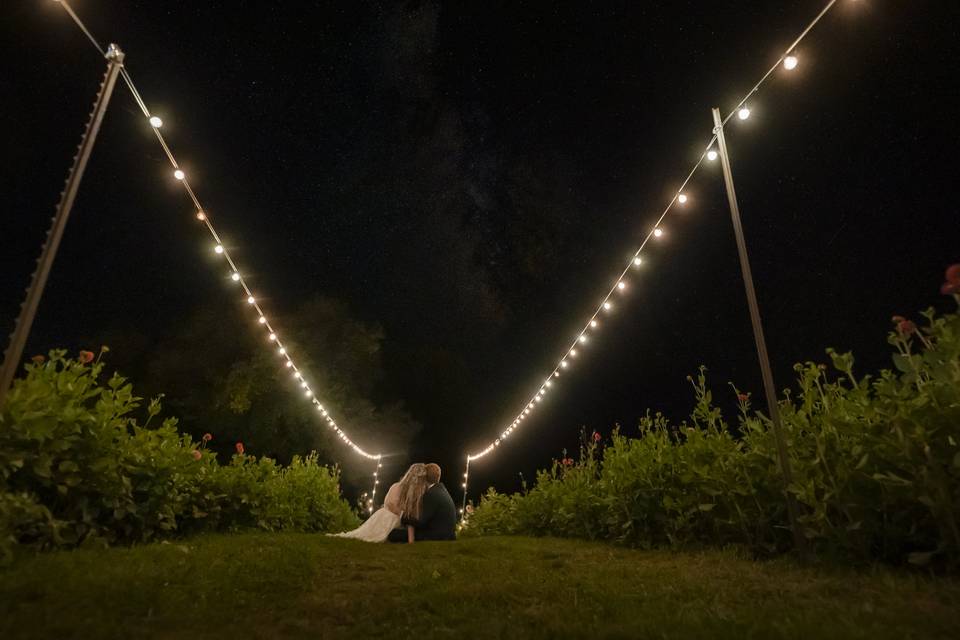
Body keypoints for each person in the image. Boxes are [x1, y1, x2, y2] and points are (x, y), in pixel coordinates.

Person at [329, 463, 429, 543]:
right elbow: (398, 510)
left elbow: (389, 504)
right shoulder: (406, 491)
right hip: (391, 519)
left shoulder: (397, 486)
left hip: (382, 515)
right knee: (372, 535)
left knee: (365, 533)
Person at [387, 463, 457, 543]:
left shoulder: (431, 494)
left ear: (424, 477)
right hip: (445, 534)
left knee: (393, 534)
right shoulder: (440, 490)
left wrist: (400, 514)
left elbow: (419, 521)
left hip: (435, 536)